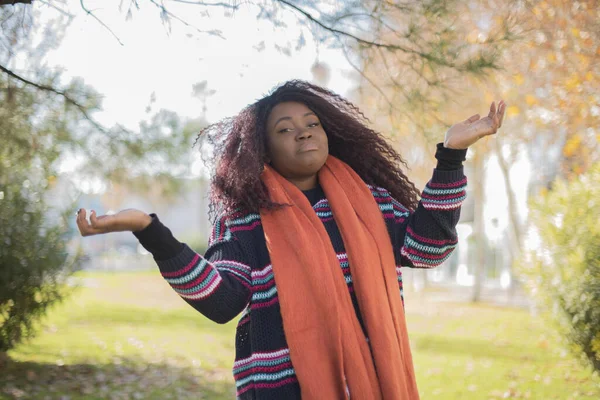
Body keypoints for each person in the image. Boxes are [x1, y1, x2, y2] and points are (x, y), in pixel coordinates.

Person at [76, 80, 505, 400]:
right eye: (284, 129)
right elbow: (221, 301)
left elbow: (426, 248)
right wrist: (150, 232)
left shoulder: (370, 203)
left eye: (311, 123)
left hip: (373, 381)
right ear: (262, 150)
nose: (303, 132)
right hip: (284, 388)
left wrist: (451, 156)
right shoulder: (245, 222)